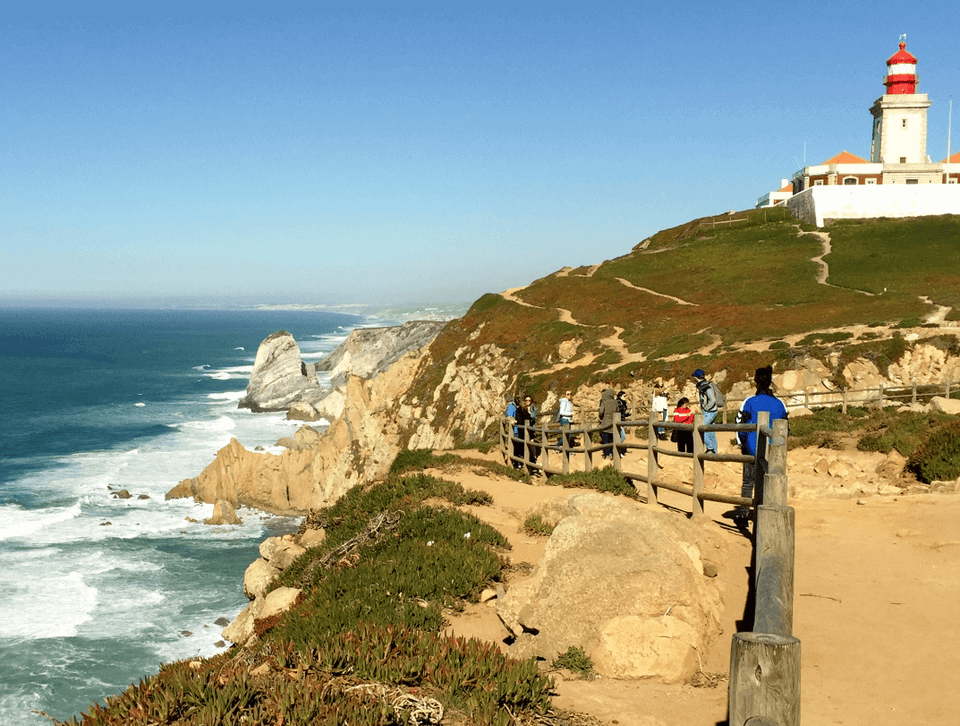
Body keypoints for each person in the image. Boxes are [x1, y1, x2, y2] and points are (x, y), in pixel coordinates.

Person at [727, 366, 788, 525]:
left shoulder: (749, 402)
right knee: (770, 482)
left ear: (756, 382)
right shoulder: (779, 404)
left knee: (748, 482)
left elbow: (739, 425)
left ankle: (743, 515)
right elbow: (786, 428)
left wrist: (743, 444)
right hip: (773, 452)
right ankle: (769, 514)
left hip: (751, 449)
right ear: (770, 381)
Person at [691, 369, 719, 454]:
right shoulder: (704, 385)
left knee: (701, 428)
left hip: (710, 412)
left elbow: (712, 399)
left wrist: (706, 408)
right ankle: (714, 450)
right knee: (710, 430)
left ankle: (710, 448)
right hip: (711, 411)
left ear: (696, 377)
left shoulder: (706, 386)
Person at [516, 395, 539, 465]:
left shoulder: (532, 409)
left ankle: (532, 459)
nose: (527, 402)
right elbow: (521, 420)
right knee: (525, 444)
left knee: (530, 443)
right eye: (526, 400)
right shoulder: (521, 410)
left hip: (529, 429)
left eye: (529, 400)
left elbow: (533, 418)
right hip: (524, 430)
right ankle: (530, 460)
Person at [597, 387, 618, 459]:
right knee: (612, 440)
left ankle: (607, 454)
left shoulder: (604, 402)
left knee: (605, 441)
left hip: (605, 423)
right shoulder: (615, 402)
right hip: (613, 424)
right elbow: (618, 412)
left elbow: (601, 412)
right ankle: (612, 453)